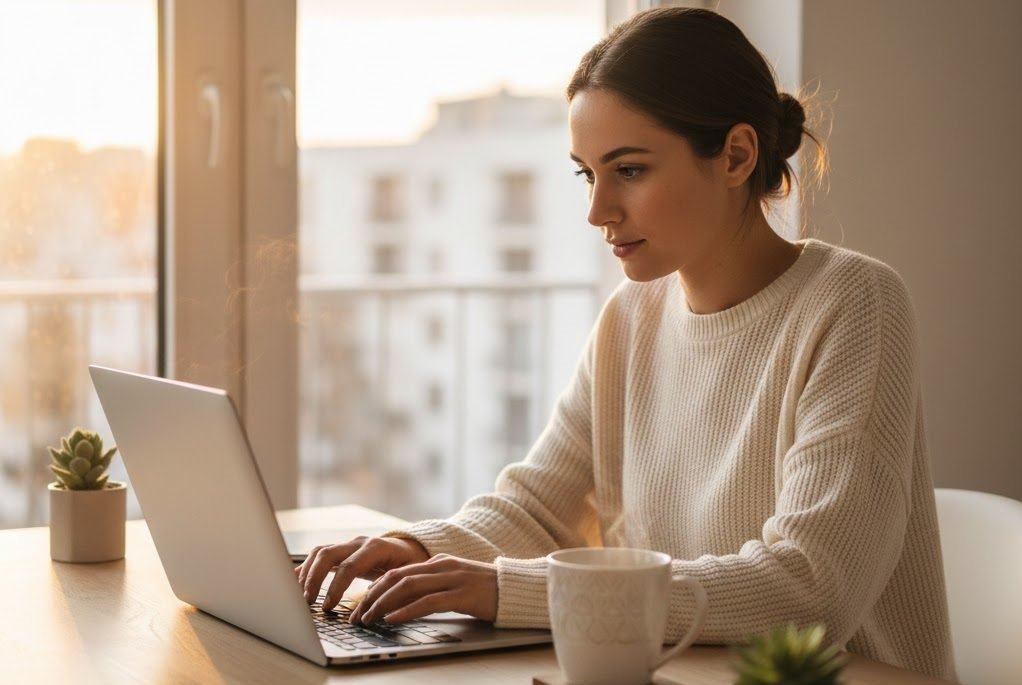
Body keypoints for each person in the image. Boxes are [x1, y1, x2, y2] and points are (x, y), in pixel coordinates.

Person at [296, 7, 955, 680]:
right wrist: (414, 549)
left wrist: (509, 590)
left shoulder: (853, 303)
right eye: (587, 174)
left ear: (736, 155)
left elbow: (810, 584)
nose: (597, 210)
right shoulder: (632, 315)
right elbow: (538, 511)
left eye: (630, 170)